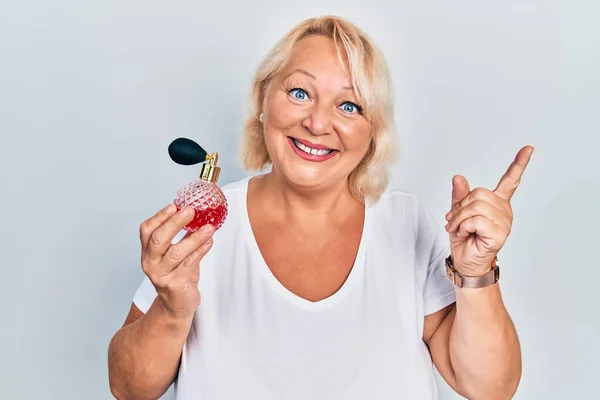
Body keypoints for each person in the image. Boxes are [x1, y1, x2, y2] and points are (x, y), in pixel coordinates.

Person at [108, 15, 532, 400]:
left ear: (373, 132)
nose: (317, 123)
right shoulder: (206, 227)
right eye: (299, 92)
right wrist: (171, 307)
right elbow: (128, 389)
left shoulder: (406, 223)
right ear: (263, 101)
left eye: (349, 105)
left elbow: (489, 388)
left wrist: (476, 273)